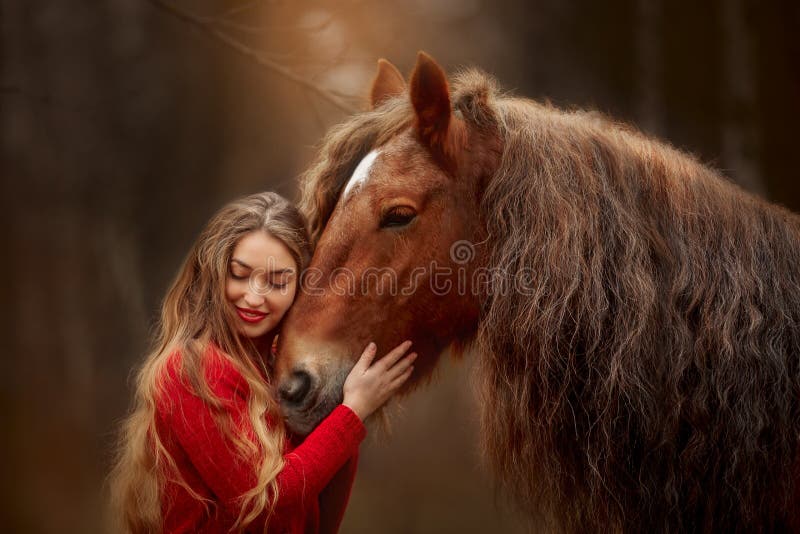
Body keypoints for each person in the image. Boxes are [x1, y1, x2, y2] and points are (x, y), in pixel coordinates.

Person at [108, 192, 417, 533]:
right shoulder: (191, 368)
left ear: (301, 287)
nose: (254, 297)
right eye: (239, 275)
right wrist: (351, 413)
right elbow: (266, 504)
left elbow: (315, 521)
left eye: (276, 282)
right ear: (214, 274)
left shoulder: (287, 374)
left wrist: (338, 405)